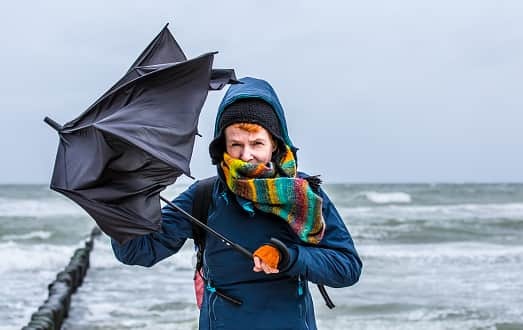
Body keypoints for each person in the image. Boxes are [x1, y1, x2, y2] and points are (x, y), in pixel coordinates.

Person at [111, 77, 362, 330]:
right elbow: (137, 251)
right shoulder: (204, 196)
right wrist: (125, 200)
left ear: (274, 142)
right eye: (236, 145)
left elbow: (346, 267)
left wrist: (288, 256)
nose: (246, 155)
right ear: (223, 146)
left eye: (256, 144)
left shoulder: (304, 194)